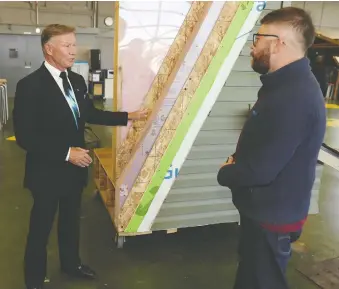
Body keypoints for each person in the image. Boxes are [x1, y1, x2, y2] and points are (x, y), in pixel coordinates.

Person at [12, 24, 150, 289]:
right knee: (40, 229)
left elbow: (89, 113)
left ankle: (71, 263)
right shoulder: (30, 86)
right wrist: (66, 153)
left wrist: (127, 117)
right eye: (67, 46)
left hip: (75, 171)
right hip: (47, 172)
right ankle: (33, 279)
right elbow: (25, 137)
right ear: (48, 49)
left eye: (74, 45)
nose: (73, 51)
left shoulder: (74, 81)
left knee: (71, 222)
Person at [217, 7, 326, 289]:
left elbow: (261, 170)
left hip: (272, 217)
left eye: (258, 38)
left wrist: (226, 172)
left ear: (279, 43)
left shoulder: (294, 97)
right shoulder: (283, 86)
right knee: (252, 277)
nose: (253, 47)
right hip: (265, 211)